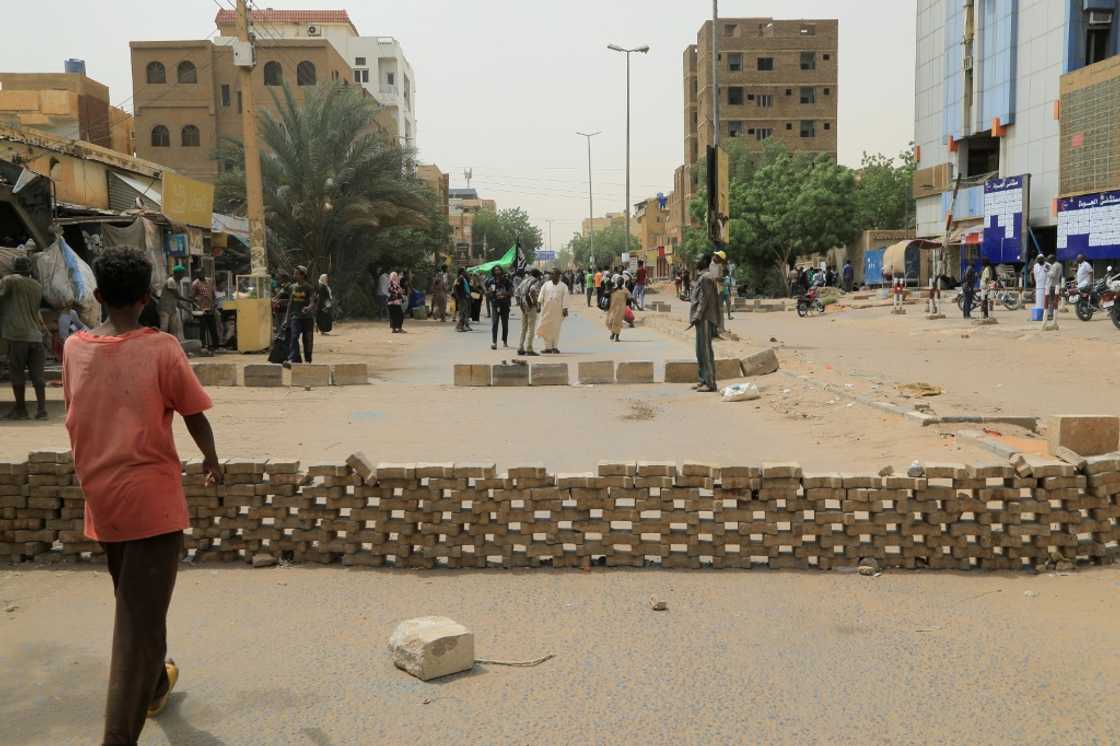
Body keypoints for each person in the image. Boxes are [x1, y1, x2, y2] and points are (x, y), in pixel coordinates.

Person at [62, 247, 222, 746]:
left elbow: (77, 413)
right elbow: (193, 413)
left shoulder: (73, 348)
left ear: (98, 294)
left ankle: (154, 687)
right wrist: (212, 459)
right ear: (147, 297)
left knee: (136, 600)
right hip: (151, 500)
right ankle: (118, 737)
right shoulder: (162, 347)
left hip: (102, 497)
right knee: (137, 624)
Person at [1, 256, 48, 420]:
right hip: (36, 337)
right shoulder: (37, 286)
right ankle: (41, 410)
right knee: (38, 376)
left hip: (17, 335)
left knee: (17, 373)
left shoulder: (10, 281)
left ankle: (21, 410)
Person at [689, 253, 720, 393]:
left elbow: (704, 300)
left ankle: (710, 382)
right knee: (700, 351)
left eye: (699, 260)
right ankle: (703, 380)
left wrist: (697, 315)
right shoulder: (702, 277)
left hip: (705, 318)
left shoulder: (706, 278)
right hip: (701, 319)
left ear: (705, 262)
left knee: (706, 351)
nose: (696, 262)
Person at [283, 266, 316, 365]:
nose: (294, 275)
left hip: (308, 319)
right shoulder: (292, 287)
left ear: (302, 275)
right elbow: (290, 304)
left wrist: (308, 308)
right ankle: (293, 359)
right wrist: (286, 319)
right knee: (294, 338)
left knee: (308, 340)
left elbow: (312, 302)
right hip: (296, 317)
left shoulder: (309, 288)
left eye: (296, 273)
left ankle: (308, 360)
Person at [536, 267, 569, 354]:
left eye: (554, 274)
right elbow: (541, 295)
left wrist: (565, 309)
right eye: (551, 274)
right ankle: (548, 348)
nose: (552, 276)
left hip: (558, 311)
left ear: (558, 275)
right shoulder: (546, 284)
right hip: (546, 310)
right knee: (546, 328)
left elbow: (566, 298)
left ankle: (555, 347)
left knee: (556, 329)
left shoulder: (563, 286)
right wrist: (538, 305)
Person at [486, 265, 514, 350]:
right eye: (495, 270)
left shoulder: (506, 281)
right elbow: (488, 292)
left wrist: (504, 294)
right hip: (495, 305)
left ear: (501, 271)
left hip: (505, 304)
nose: (497, 271)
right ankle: (494, 342)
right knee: (495, 323)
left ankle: (505, 341)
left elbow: (511, 292)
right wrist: (490, 293)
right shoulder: (491, 281)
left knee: (505, 324)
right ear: (493, 272)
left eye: (498, 270)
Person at [516, 269, 542, 356]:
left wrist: (520, 304)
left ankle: (520, 347)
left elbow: (517, 292)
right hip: (531, 306)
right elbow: (533, 291)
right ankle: (529, 349)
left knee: (524, 328)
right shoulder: (535, 281)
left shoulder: (524, 281)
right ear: (537, 275)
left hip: (523, 306)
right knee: (531, 328)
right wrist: (536, 305)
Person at [191, 270, 218, 352]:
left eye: (202, 273)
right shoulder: (195, 283)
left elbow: (213, 294)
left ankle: (216, 346)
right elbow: (192, 298)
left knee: (213, 328)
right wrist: (197, 306)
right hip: (201, 310)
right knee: (202, 329)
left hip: (211, 308)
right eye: (199, 274)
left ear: (204, 273)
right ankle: (202, 346)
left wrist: (214, 304)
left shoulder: (210, 281)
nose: (201, 275)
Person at [158, 265, 187, 341]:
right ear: (177, 273)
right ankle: (161, 344)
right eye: (182, 274)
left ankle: (172, 344)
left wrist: (187, 309)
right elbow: (178, 296)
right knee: (164, 329)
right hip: (165, 309)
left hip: (172, 309)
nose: (183, 276)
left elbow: (176, 300)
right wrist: (190, 300)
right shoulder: (171, 281)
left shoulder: (176, 282)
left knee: (174, 329)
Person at [606, 274, 631, 342]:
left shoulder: (621, 290)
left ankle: (615, 336)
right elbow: (607, 295)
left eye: (620, 281)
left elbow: (630, 297)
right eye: (619, 281)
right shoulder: (617, 290)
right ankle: (614, 335)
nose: (619, 282)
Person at [1046, 254, 1063, 322]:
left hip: (1052, 285)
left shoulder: (1055, 265)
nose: (1048, 261)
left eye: (1049, 259)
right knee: (1054, 300)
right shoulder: (1059, 264)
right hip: (1057, 284)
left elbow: (1052, 275)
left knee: (1051, 300)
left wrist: (1047, 271)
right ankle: (1053, 313)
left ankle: (1050, 314)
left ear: (1052, 259)